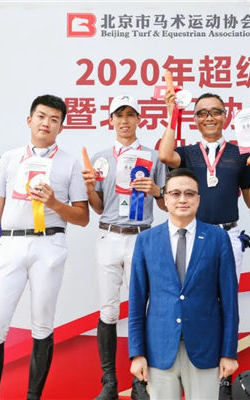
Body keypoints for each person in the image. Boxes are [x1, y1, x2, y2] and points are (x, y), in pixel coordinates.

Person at [0, 94, 89, 400]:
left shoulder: (69, 163)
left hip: (49, 244)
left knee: (42, 323)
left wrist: (54, 203)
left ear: (61, 127)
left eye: (54, 119)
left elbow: (82, 217)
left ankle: (33, 396)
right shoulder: (9, 159)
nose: (46, 123)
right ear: (29, 120)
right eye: (41, 116)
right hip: (11, 244)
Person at [128, 168, 239, 399]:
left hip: (205, 349)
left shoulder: (217, 238)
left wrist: (229, 352)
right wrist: (137, 353)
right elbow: (137, 302)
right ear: (165, 198)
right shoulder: (146, 240)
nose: (182, 199)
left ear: (198, 199)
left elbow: (230, 302)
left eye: (189, 194)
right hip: (160, 350)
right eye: (175, 193)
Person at [82, 95, 166, 400]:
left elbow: (165, 204)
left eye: (131, 114)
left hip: (141, 237)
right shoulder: (101, 158)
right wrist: (89, 188)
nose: (125, 120)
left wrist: (157, 190)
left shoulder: (153, 157)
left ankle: (140, 381)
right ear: (111, 120)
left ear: (139, 119)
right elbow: (98, 206)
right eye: (119, 115)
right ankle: (109, 382)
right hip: (108, 235)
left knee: (141, 307)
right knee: (108, 309)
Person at [158, 92, 250, 280]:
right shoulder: (187, 153)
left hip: (228, 236)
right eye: (202, 113)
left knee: (227, 294)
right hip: (194, 234)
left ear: (225, 116)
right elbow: (165, 156)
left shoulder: (241, 155)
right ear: (195, 119)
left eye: (215, 112)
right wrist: (172, 115)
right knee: (195, 292)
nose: (209, 118)